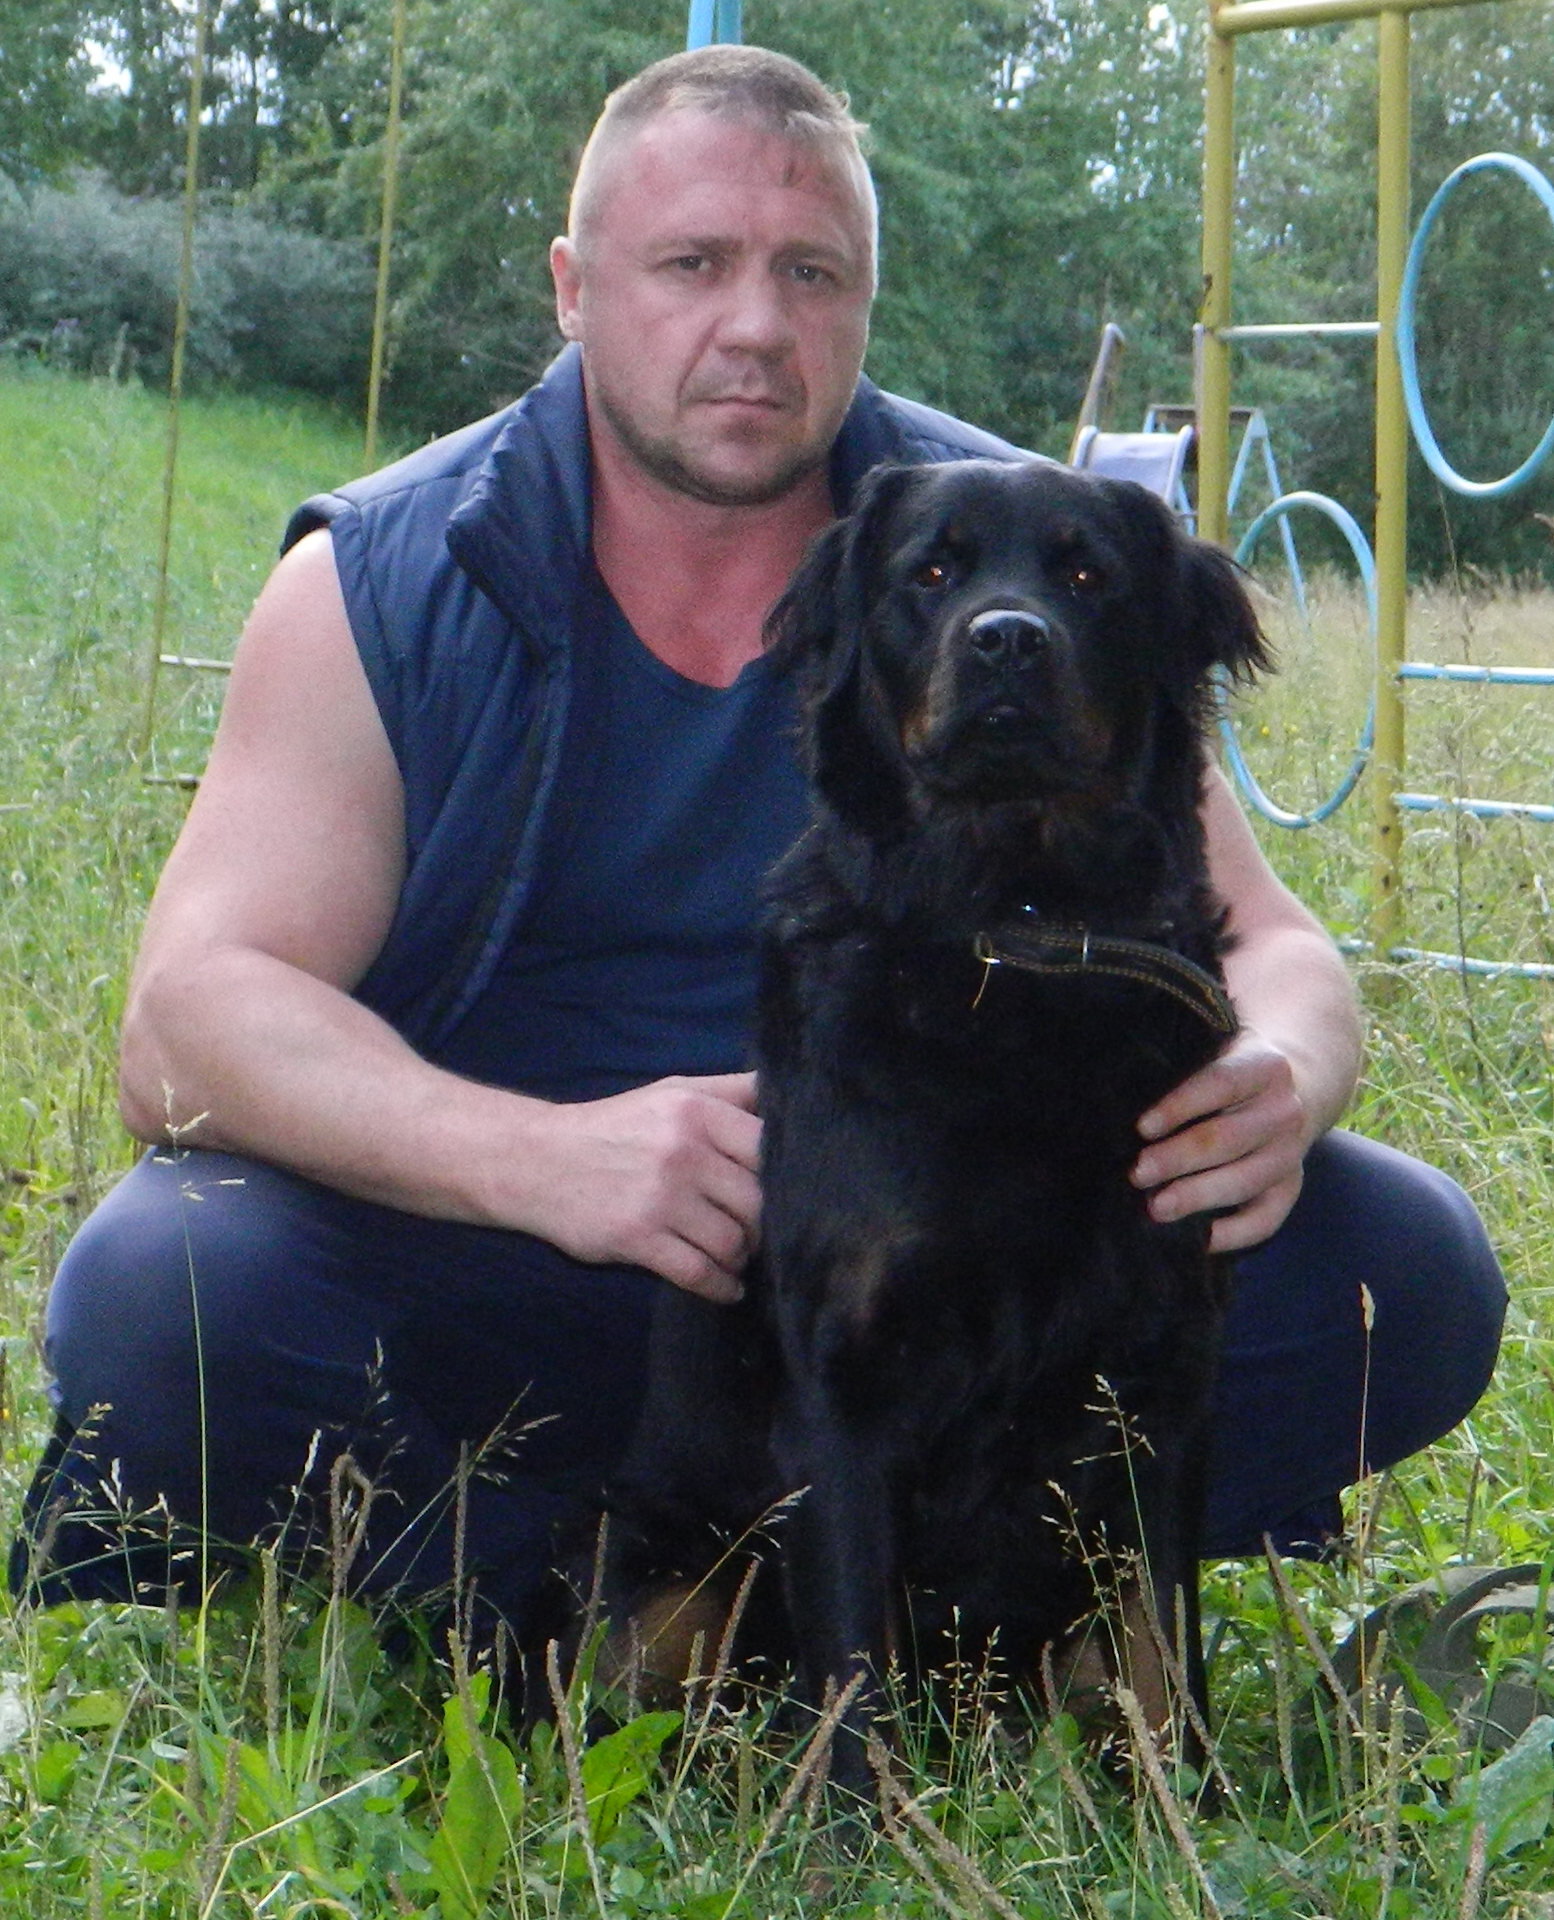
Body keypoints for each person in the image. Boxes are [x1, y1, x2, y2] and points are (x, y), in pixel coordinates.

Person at [12, 46, 1504, 1637]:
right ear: (573, 288)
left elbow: (1268, 940)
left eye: (810, 273)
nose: (754, 326)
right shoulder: (380, 579)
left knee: (1399, 1267)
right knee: (165, 1289)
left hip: (935, 1279)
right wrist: (542, 1160)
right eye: (692, 264)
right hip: (498, 1265)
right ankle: (561, 1587)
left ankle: (925, 1578)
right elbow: (188, 1021)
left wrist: (1279, 1073)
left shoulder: (999, 549)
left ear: (863, 301)